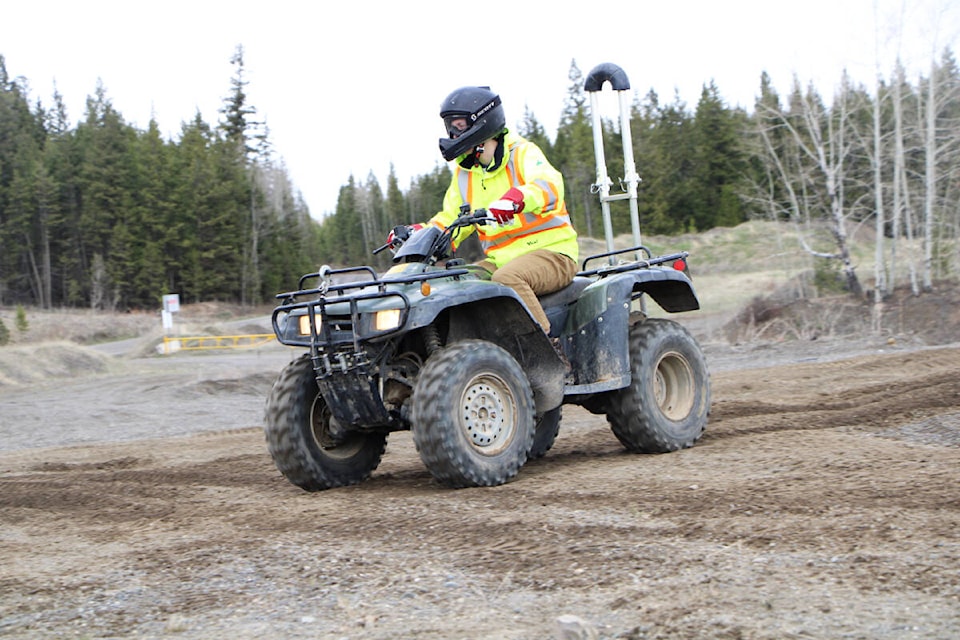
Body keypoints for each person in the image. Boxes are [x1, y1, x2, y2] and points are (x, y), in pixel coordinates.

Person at [388, 86, 579, 337]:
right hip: (500, 261)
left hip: (554, 254)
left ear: (482, 122)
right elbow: (451, 219)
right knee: (456, 282)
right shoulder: (466, 174)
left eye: (458, 125)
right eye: (450, 127)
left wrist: (515, 200)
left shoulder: (521, 153)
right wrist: (417, 235)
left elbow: (548, 185)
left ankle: (546, 351)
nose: (453, 133)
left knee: (507, 279)